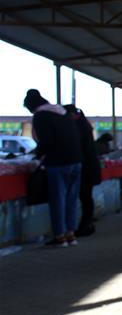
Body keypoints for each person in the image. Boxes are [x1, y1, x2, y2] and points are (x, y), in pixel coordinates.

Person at [24, 89, 82, 247]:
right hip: (76, 160)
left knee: (58, 200)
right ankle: (71, 234)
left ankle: (60, 237)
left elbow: (46, 141)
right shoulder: (62, 112)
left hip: (58, 162)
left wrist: (37, 154)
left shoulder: (41, 116)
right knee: (71, 199)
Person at [63, 105, 101, 237]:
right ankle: (87, 224)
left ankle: (86, 224)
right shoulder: (84, 125)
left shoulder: (79, 127)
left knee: (85, 197)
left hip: (86, 167)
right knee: (86, 197)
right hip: (88, 166)